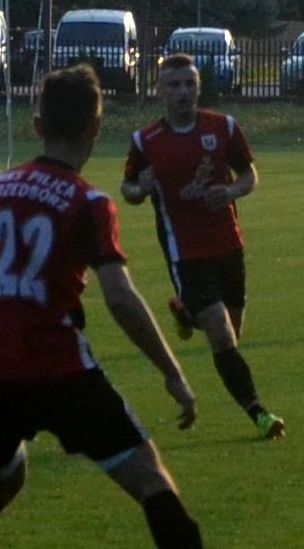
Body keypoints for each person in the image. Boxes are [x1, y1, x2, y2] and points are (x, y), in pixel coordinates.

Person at [0, 64, 261, 549]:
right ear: (95, 130)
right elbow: (119, 297)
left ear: (37, 125)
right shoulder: (88, 201)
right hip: (59, 369)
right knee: (150, 478)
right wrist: (172, 372)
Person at [121, 54, 284, 441]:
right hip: (185, 252)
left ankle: (186, 313)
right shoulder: (146, 141)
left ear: (199, 87)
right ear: (160, 91)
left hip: (228, 244)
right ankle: (259, 413)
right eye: (174, 85)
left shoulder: (223, 127)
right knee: (222, 337)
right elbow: (127, 188)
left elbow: (249, 174)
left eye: (189, 84)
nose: (183, 91)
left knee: (232, 334)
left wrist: (231, 191)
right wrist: (140, 189)